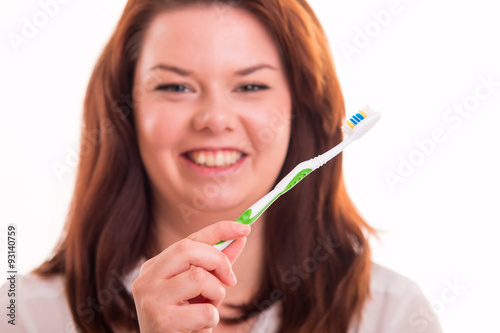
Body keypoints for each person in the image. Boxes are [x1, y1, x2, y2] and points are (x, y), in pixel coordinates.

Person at [0, 0, 444, 332]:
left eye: (250, 85)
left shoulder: (393, 314)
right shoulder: (22, 314)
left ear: (300, 107)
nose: (213, 119)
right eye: (175, 86)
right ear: (125, 110)